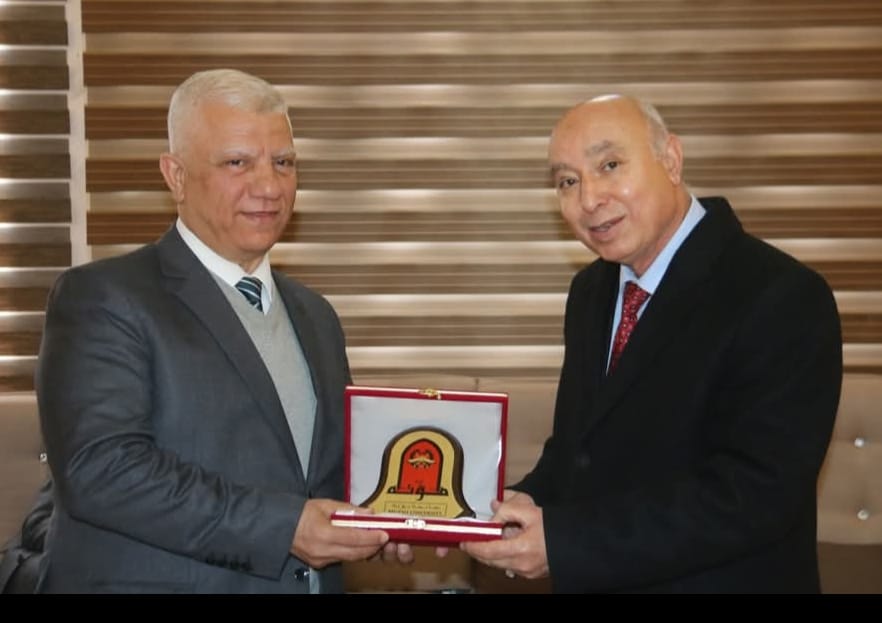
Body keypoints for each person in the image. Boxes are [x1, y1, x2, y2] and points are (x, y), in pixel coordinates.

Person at [33, 68, 408, 593]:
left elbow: (317, 478)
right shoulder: (102, 297)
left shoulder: (316, 316)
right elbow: (103, 471)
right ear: (176, 175)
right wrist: (285, 527)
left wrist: (380, 518)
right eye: (238, 162)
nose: (269, 186)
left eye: (283, 163)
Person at [462, 94, 843, 593]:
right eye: (568, 181)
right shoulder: (592, 291)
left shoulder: (780, 294)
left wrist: (567, 543)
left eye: (610, 165)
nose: (589, 199)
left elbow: (753, 494)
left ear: (671, 160)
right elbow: (578, 450)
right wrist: (505, 509)